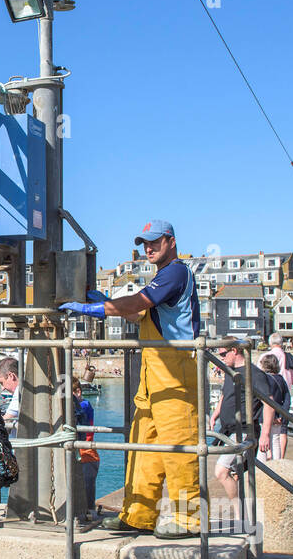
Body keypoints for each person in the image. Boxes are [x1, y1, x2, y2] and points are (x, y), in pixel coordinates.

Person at [60, 219, 201, 538]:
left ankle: (189, 518)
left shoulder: (176, 272)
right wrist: (105, 300)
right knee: (142, 447)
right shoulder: (162, 278)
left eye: (154, 242)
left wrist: (96, 308)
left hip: (176, 373)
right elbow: (139, 314)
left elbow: (138, 304)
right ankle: (138, 515)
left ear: (171, 241)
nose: (148, 248)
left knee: (180, 449)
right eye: (144, 244)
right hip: (153, 375)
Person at [208, 341, 276, 530]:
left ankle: (241, 517)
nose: (221, 358)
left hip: (244, 430)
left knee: (221, 472)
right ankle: (243, 517)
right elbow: (225, 395)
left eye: (223, 354)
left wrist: (266, 434)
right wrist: (216, 413)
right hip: (229, 429)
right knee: (235, 473)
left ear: (235, 351)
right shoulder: (230, 371)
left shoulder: (254, 374)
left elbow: (269, 403)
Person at [72, 379, 101, 520]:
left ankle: (90, 511)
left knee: (88, 487)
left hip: (87, 454)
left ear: (78, 392)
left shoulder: (84, 405)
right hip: (80, 454)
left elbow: (80, 409)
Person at [258, 353, 290, 460]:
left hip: (265, 415)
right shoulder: (281, 380)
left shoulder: (263, 379)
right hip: (278, 415)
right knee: (275, 441)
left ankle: (262, 466)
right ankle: (277, 464)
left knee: (262, 442)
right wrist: (282, 415)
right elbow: (287, 399)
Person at [0, 356, 21, 431]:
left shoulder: (20, 392)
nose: (3, 388)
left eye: (2, 383)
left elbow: (6, 420)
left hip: (20, 442)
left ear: (11, 376)